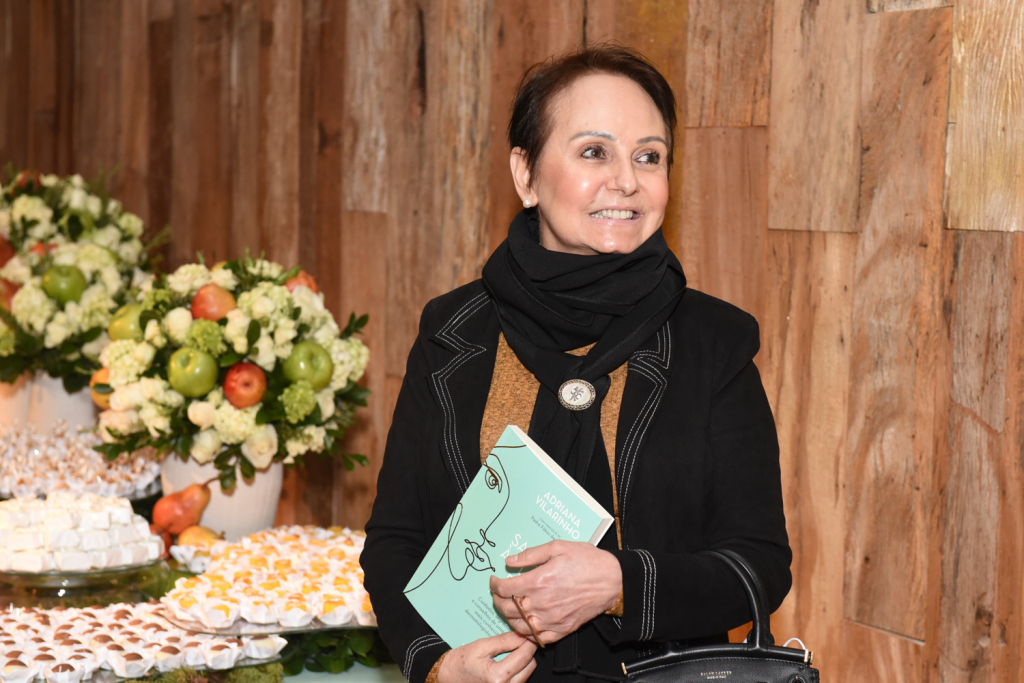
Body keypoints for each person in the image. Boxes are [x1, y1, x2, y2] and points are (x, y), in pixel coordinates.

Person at [361, 44, 792, 683]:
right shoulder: (453, 332)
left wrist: (620, 582)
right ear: (526, 175)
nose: (626, 180)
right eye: (594, 152)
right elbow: (396, 541)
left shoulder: (714, 342)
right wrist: (437, 665)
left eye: (649, 156)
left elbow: (759, 566)